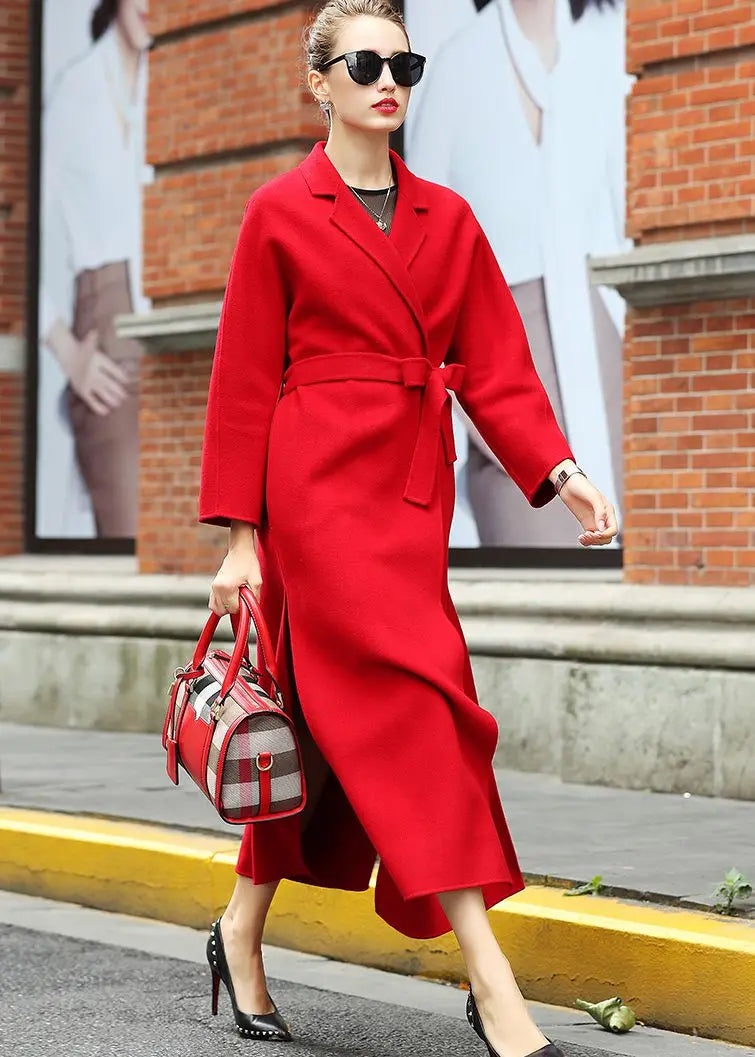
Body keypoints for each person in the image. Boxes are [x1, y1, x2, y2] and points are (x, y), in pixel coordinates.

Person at [197, 2, 618, 1055]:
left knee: (330, 734)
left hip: (409, 499)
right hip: (313, 502)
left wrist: (558, 469)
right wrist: (237, 538)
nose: (388, 79)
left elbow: (493, 364)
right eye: (365, 63)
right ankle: (490, 981)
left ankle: (239, 929)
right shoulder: (278, 212)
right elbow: (243, 380)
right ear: (319, 81)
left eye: (404, 62)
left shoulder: (449, 218)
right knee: (417, 711)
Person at [407, 0, 630, 548]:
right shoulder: (458, 63)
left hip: (603, 344)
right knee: (539, 570)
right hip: (501, 356)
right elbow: (420, 243)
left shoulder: (608, 43)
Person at [38, 0, 151, 538]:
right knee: (130, 532)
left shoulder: (170, 84)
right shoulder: (76, 91)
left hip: (179, 312)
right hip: (108, 321)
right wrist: (62, 346)